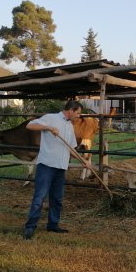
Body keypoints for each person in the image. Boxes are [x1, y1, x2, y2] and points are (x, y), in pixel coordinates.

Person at [22, 100, 89, 240]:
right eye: (77, 113)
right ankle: (30, 227)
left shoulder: (70, 126)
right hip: (46, 165)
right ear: (70, 110)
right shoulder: (51, 118)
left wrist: (83, 161)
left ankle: (53, 224)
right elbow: (29, 125)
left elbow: (71, 149)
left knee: (57, 199)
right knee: (39, 198)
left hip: (61, 168)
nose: (78, 116)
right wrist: (47, 128)